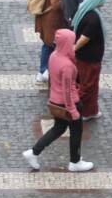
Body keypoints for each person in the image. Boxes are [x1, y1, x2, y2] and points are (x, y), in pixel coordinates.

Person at [22, 28, 93, 172]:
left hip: (55, 100)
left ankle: (34, 152)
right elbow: (67, 90)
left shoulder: (54, 56)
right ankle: (75, 161)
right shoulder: (67, 66)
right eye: (72, 41)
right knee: (76, 131)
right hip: (69, 103)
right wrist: (72, 109)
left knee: (58, 128)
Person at [71, 0, 107, 120]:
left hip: (86, 56)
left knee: (91, 84)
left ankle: (91, 110)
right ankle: (74, 108)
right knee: (87, 85)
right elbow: (84, 38)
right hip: (89, 58)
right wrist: (73, 49)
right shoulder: (93, 19)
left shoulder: (83, 9)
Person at [34, 0, 64, 84]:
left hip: (47, 18)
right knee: (50, 45)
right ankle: (44, 71)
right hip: (51, 20)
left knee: (48, 44)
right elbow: (55, 3)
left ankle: (43, 71)